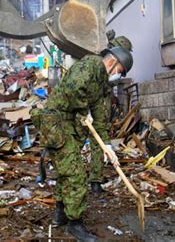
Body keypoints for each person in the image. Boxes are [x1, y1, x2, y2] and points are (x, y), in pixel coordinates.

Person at [33, 46, 133, 241]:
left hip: (69, 128)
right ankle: (75, 223)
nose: (118, 76)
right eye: (120, 71)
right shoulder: (91, 65)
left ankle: (60, 215)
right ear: (112, 62)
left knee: (66, 172)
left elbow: (99, 117)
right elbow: (73, 89)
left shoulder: (100, 82)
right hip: (57, 123)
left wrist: (107, 146)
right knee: (76, 175)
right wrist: (82, 110)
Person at [89, 35, 133, 193]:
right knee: (97, 143)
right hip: (92, 110)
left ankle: (94, 179)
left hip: (99, 109)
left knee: (99, 143)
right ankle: (93, 181)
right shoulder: (99, 65)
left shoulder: (105, 64)